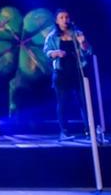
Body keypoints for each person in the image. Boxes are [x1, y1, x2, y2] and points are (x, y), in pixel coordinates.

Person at [43, 9, 91, 140]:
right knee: (63, 102)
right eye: (61, 17)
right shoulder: (52, 36)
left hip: (78, 71)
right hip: (61, 73)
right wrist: (55, 53)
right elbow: (47, 52)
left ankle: (89, 130)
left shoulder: (77, 33)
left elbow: (88, 51)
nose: (65, 20)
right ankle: (64, 131)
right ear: (57, 21)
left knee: (84, 101)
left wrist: (83, 43)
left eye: (66, 17)